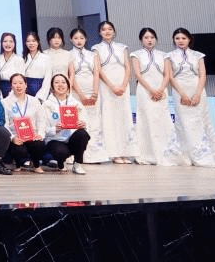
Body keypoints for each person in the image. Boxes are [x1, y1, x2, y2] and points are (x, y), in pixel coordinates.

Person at [168, 28, 215, 168]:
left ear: (189, 39)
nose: (180, 41)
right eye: (177, 38)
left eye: (183, 38)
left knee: (201, 121)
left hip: (198, 90)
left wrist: (198, 94)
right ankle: (186, 156)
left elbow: (202, 75)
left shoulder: (198, 55)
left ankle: (207, 155)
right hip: (179, 91)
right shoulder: (169, 56)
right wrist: (183, 94)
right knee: (183, 123)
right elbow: (170, 77)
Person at [131, 28, 184, 166]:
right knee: (146, 120)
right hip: (144, 91)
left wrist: (160, 90)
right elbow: (138, 75)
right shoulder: (135, 55)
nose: (149, 40)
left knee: (162, 120)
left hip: (162, 91)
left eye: (152, 37)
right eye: (146, 37)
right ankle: (147, 154)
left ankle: (166, 152)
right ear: (141, 40)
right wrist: (151, 90)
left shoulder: (164, 55)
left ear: (156, 39)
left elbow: (167, 75)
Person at [94, 20, 134, 163]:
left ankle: (126, 152)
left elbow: (128, 67)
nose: (107, 32)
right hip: (106, 87)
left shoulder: (122, 47)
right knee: (110, 118)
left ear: (114, 31)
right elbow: (98, 69)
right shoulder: (96, 48)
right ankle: (114, 153)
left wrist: (123, 85)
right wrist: (112, 86)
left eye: (110, 29)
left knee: (124, 116)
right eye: (104, 29)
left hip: (123, 86)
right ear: (100, 32)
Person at [68, 28, 108, 163]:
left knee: (95, 122)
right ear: (71, 40)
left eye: (81, 38)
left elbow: (96, 73)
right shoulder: (69, 55)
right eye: (76, 38)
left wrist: (95, 93)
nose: (79, 41)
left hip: (93, 91)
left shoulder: (93, 55)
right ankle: (79, 154)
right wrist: (81, 95)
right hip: (77, 92)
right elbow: (71, 76)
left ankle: (95, 155)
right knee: (79, 122)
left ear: (85, 39)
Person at [41, 74, 92, 173]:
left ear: (68, 86)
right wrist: (55, 129)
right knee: (60, 152)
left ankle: (77, 164)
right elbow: (42, 128)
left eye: (63, 82)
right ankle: (60, 161)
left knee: (82, 134)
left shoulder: (76, 103)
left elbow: (86, 122)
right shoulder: (47, 105)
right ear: (52, 87)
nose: (60, 85)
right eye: (56, 82)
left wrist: (83, 124)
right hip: (55, 140)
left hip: (72, 139)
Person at [0, 74, 44, 172]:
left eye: (21, 83)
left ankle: (36, 165)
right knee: (19, 150)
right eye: (15, 83)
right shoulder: (5, 102)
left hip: (32, 135)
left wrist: (40, 134)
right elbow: (5, 124)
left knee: (39, 144)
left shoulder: (34, 101)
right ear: (11, 85)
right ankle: (18, 164)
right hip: (16, 136)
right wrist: (12, 138)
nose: (18, 86)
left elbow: (41, 120)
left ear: (26, 85)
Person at [22, 31, 54, 101]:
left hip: (41, 89)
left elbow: (47, 79)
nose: (31, 43)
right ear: (25, 43)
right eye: (28, 41)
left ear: (38, 42)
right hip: (25, 91)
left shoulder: (46, 58)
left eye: (33, 41)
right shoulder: (22, 58)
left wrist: (40, 97)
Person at [0, 32, 23, 98]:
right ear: (1, 43)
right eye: (5, 41)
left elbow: (21, 78)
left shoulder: (19, 59)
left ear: (14, 43)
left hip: (15, 89)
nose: (8, 44)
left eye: (11, 41)